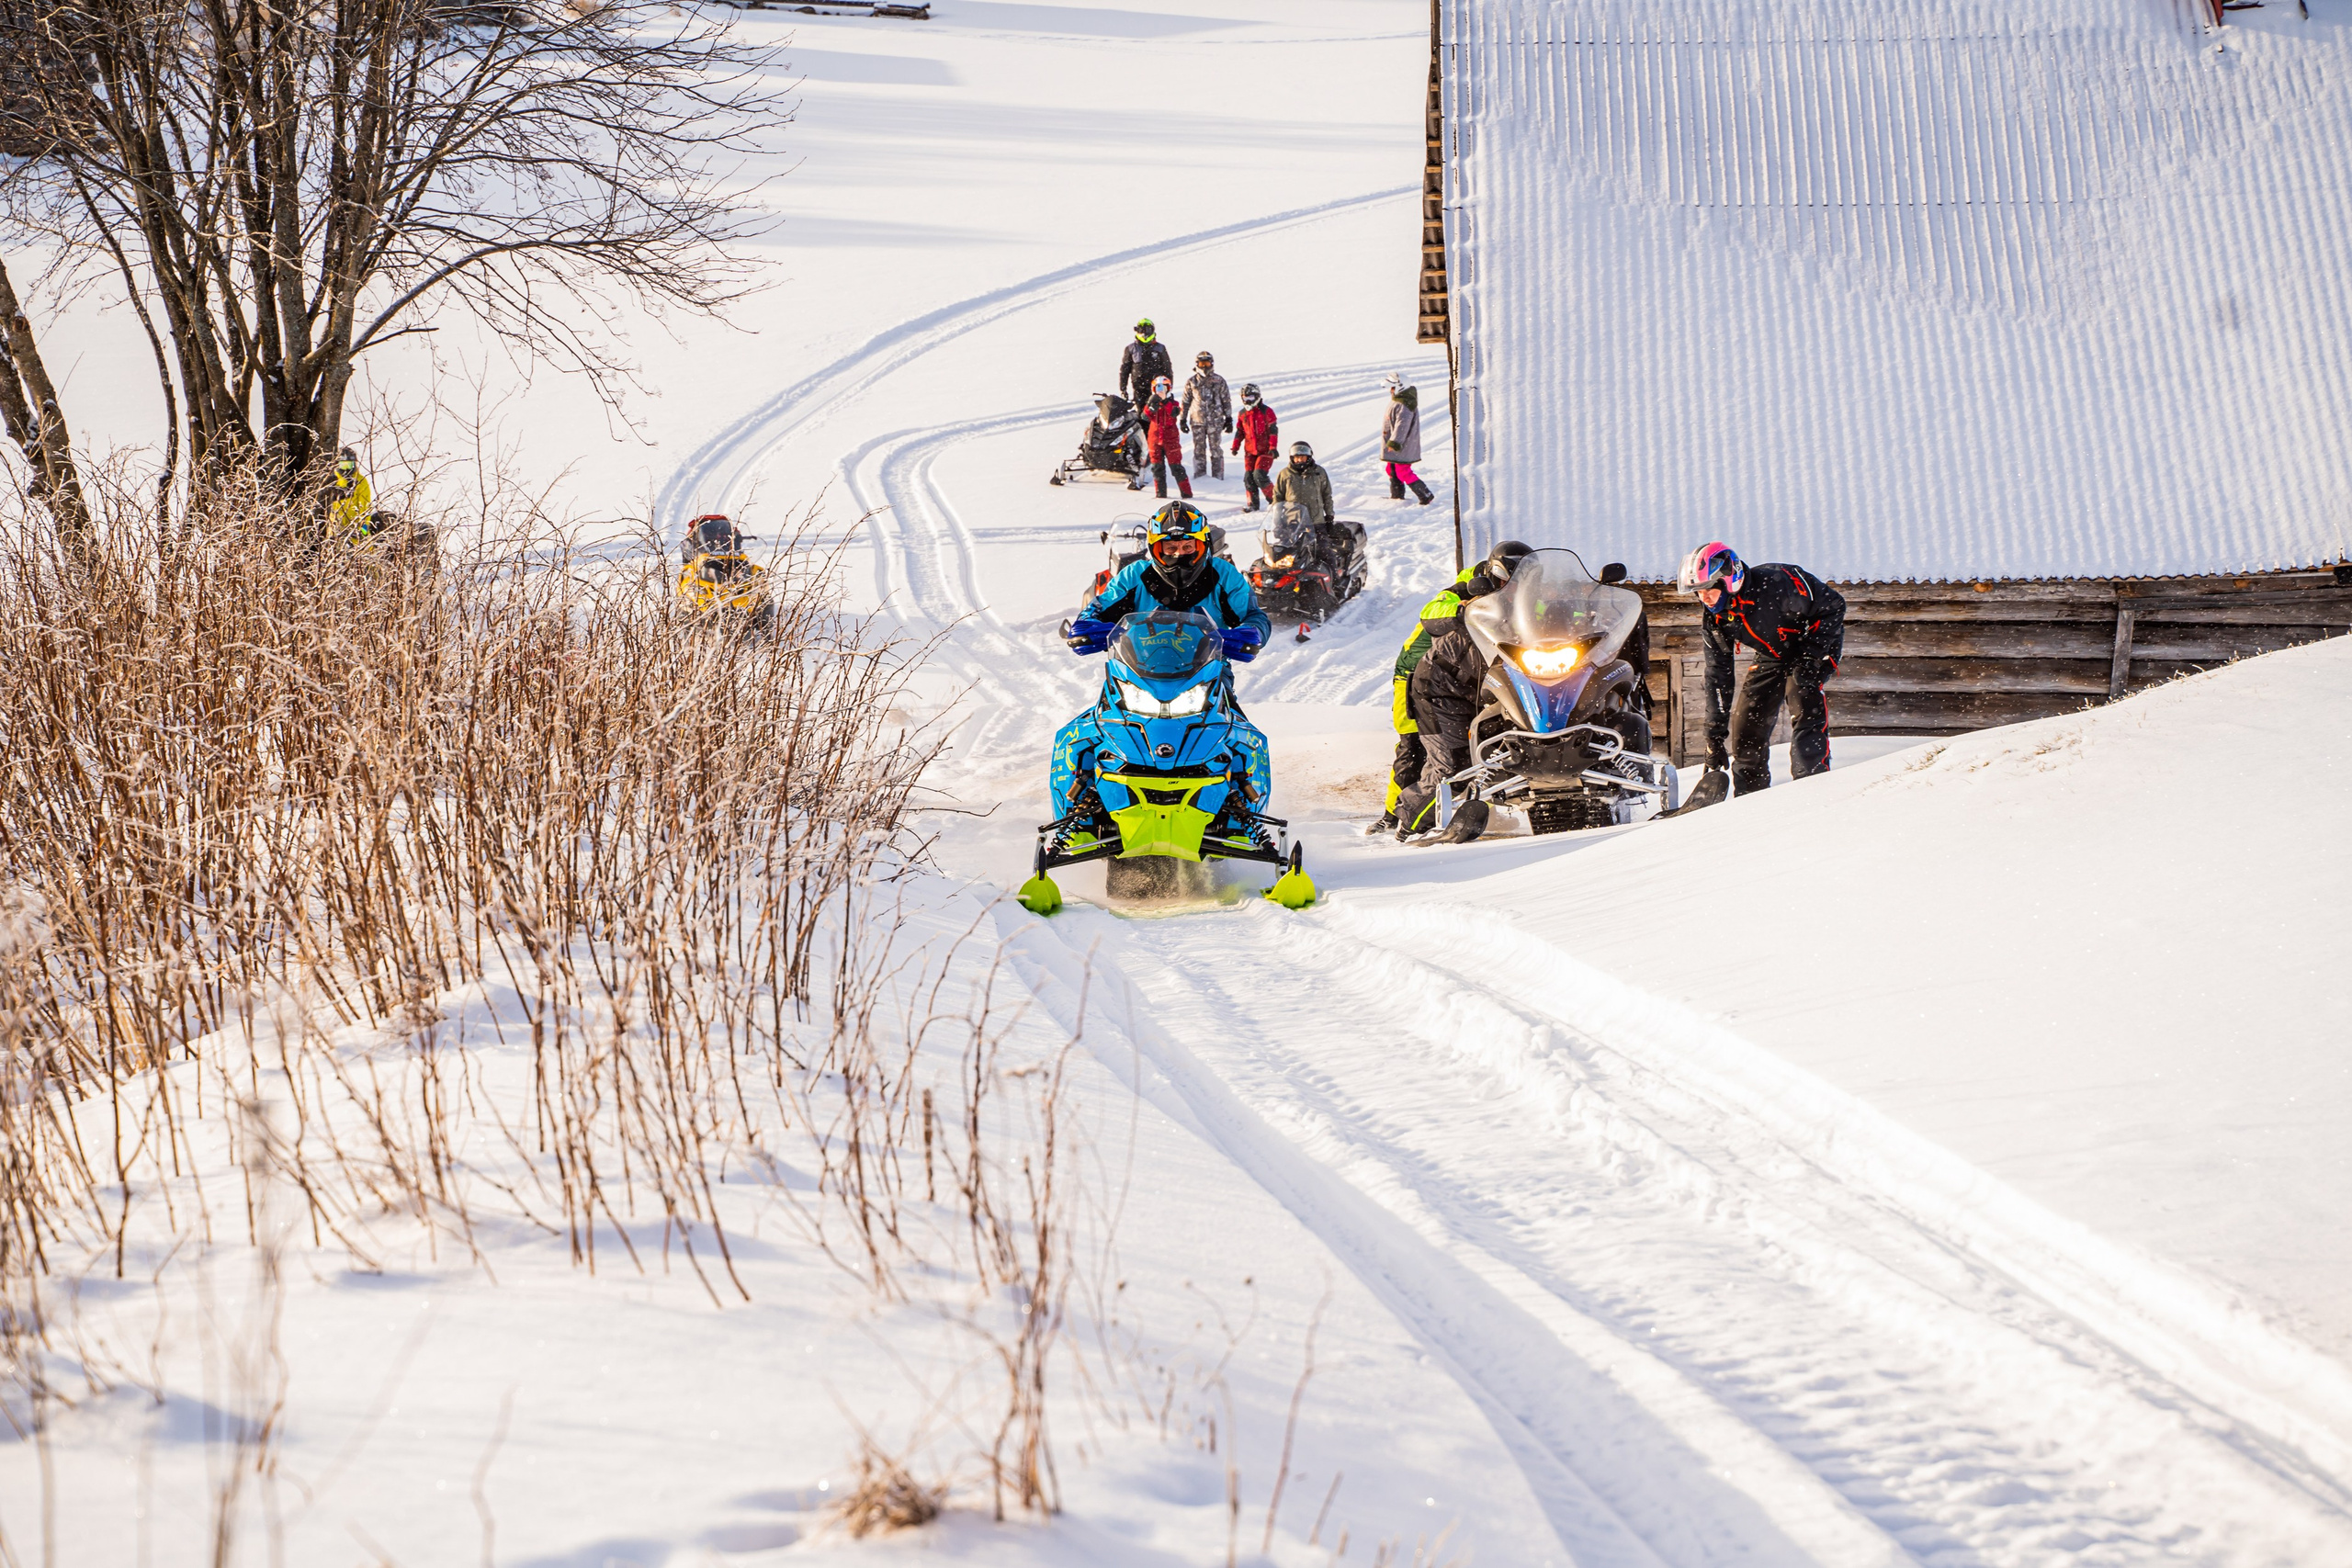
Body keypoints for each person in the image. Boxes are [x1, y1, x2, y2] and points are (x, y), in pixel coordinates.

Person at [1054, 502, 1272, 838]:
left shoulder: (1223, 576)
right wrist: (1086, 629)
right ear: (1155, 549)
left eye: (1188, 547)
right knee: (1080, 735)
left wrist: (1251, 635)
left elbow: (1254, 616)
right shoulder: (1133, 576)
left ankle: (1244, 816)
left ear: (1204, 545)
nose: (1179, 556)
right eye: (1170, 548)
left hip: (1205, 674)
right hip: (1136, 674)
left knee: (1243, 737)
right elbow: (1098, 608)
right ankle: (1077, 817)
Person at [1676, 542, 1845, 811]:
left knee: (1802, 697)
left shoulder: (1778, 582)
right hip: (1773, 654)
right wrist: (1714, 737)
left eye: (1708, 589)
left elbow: (1834, 605)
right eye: (1698, 592)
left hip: (1813, 646)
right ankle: (1751, 806)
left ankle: (1812, 789)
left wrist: (1812, 654)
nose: (1704, 598)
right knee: (1747, 724)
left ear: (1729, 581)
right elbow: (1718, 675)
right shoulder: (1716, 619)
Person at [1372, 542, 1529, 830]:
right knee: (1415, 744)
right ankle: (1392, 815)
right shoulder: (1469, 584)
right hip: (1418, 672)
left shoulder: (1527, 592)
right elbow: (1432, 611)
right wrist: (1462, 608)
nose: (1514, 585)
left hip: (1467, 678)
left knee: (1475, 740)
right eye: (1509, 578)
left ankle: (1483, 807)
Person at [1381, 373, 1434, 504]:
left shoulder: (1405, 404)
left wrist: (1395, 442)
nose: (1390, 391)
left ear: (1400, 387)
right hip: (1396, 444)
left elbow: (1402, 426)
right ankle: (1397, 496)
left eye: (1392, 388)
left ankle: (1425, 495)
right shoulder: (1398, 401)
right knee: (1391, 469)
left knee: (1402, 471)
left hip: (1402, 445)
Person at [1182, 352, 1231, 481]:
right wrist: (1182, 419)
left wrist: (1229, 418)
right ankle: (1200, 477)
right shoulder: (1192, 382)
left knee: (1216, 449)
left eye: (1207, 363)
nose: (1204, 367)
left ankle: (1218, 477)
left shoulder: (1219, 381)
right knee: (1199, 450)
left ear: (1212, 364)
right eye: (1202, 364)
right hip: (1197, 421)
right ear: (1197, 364)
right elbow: (1186, 402)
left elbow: (1226, 400)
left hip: (1215, 421)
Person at [1139, 375, 1191, 501]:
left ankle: (1187, 494)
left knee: (1176, 467)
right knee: (1157, 468)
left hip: (1170, 440)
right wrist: (1151, 405)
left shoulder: (1173, 403)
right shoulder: (1152, 402)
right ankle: (1161, 495)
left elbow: (1174, 413)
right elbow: (1144, 417)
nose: (1161, 390)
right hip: (1155, 440)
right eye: (1158, 387)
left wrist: (1165, 402)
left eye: (1164, 387)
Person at [1230, 384, 1280, 512]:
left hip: (1266, 451)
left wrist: (1273, 447)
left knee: (1259, 475)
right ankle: (1252, 504)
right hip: (1250, 452)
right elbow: (1240, 431)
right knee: (1248, 478)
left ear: (1257, 397)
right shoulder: (1242, 414)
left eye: (1250, 398)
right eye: (1244, 398)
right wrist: (1235, 446)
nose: (1247, 401)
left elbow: (1273, 430)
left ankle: (1275, 501)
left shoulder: (1266, 411)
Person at [1269, 440, 1331, 530]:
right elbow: (1278, 497)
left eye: (1302, 457)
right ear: (1292, 458)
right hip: (1292, 521)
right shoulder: (1285, 474)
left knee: (1322, 543)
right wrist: (1277, 520)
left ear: (1308, 457)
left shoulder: (1319, 472)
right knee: (1284, 544)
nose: (1299, 460)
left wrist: (1329, 515)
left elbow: (1327, 495)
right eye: (1297, 457)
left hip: (1316, 521)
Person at [1118, 318, 1174, 410]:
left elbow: (1167, 368)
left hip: (1158, 387)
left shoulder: (1160, 348)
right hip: (1139, 387)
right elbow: (1125, 370)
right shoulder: (1131, 348)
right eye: (1142, 330)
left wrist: (1169, 387)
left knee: (1158, 415)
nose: (1145, 333)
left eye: (1148, 330)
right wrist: (1123, 388)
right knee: (1142, 414)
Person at [327, 446, 374, 537]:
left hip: (354, 532)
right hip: (333, 532)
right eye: (343, 465)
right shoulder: (331, 481)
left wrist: (363, 531)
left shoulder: (360, 481)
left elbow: (365, 508)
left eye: (349, 465)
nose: (346, 469)